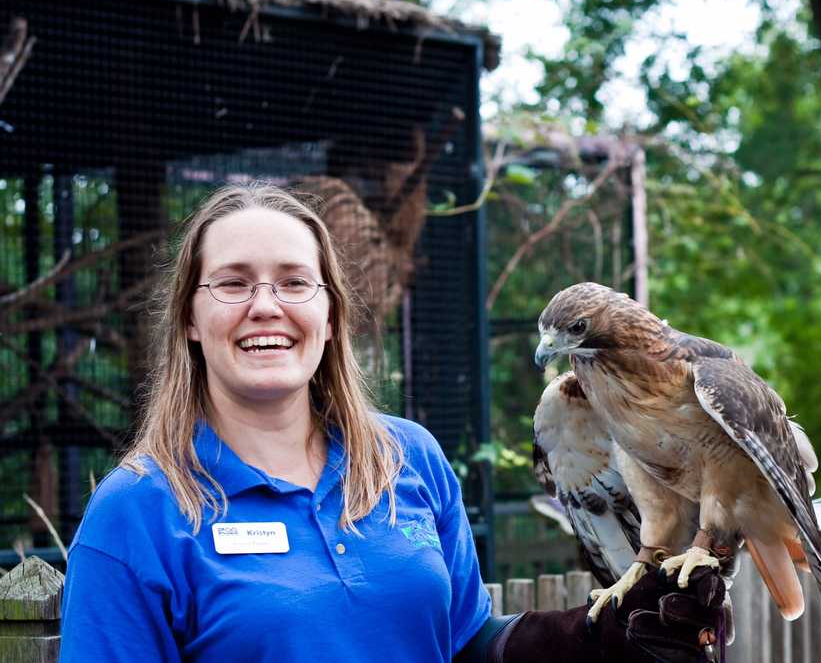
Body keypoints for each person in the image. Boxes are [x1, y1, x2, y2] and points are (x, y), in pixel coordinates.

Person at [59, 183, 726, 663]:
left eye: (295, 281)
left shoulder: (408, 457)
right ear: (189, 320)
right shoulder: (137, 511)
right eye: (233, 283)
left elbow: (466, 644)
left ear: (329, 314)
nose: (266, 305)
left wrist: (593, 638)